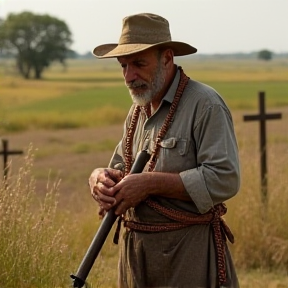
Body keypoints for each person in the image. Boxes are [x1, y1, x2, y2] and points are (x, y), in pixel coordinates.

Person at [89, 13, 240, 288]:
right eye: (123, 65)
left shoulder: (205, 104)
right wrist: (100, 179)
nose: (128, 76)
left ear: (167, 58)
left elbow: (225, 178)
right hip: (136, 256)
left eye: (138, 64)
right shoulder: (137, 110)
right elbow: (121, 168)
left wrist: (151, 184)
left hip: (188, 255)